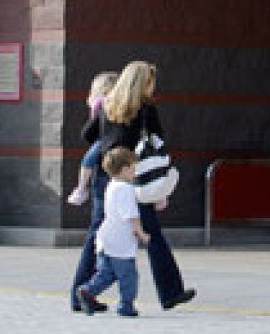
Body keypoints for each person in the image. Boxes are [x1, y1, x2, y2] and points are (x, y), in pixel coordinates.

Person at [83, 60, 196, 312]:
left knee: (99, 233)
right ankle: (170, 292)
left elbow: (88, 134)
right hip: (133, 179)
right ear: (143, 82)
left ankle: (82, 292)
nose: (154, 86)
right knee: (151, 234)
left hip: (108, 177)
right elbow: (159, 140)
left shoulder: (108, 103)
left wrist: (109, 145)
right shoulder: (145, 108)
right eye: (152, 81)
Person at [77, 147, 150, 317]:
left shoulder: (112, 185)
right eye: (133, 168)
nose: (135, 172)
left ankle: (87, 292)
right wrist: (141, 232)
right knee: (128, 275)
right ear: (124, 169)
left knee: (107, 273)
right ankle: (126, 305)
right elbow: (131, 215)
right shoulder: (125, 189)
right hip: (120, 241)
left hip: (106, 237)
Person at [70, 71, 120, 313]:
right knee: (97, 232)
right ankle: (82, 291)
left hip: (104, 171)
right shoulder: (106, 105)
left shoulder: (99, 102)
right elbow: (91, 135)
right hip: (103, 172)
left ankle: (86, 291)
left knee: (99, 233)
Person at [69, 71, 119, 206]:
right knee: (89, 159)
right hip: (103, 138)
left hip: (105, 139)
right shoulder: (101, 102)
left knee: (88, 160)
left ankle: (81, 188)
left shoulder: (101, 101)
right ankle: (81, 188)